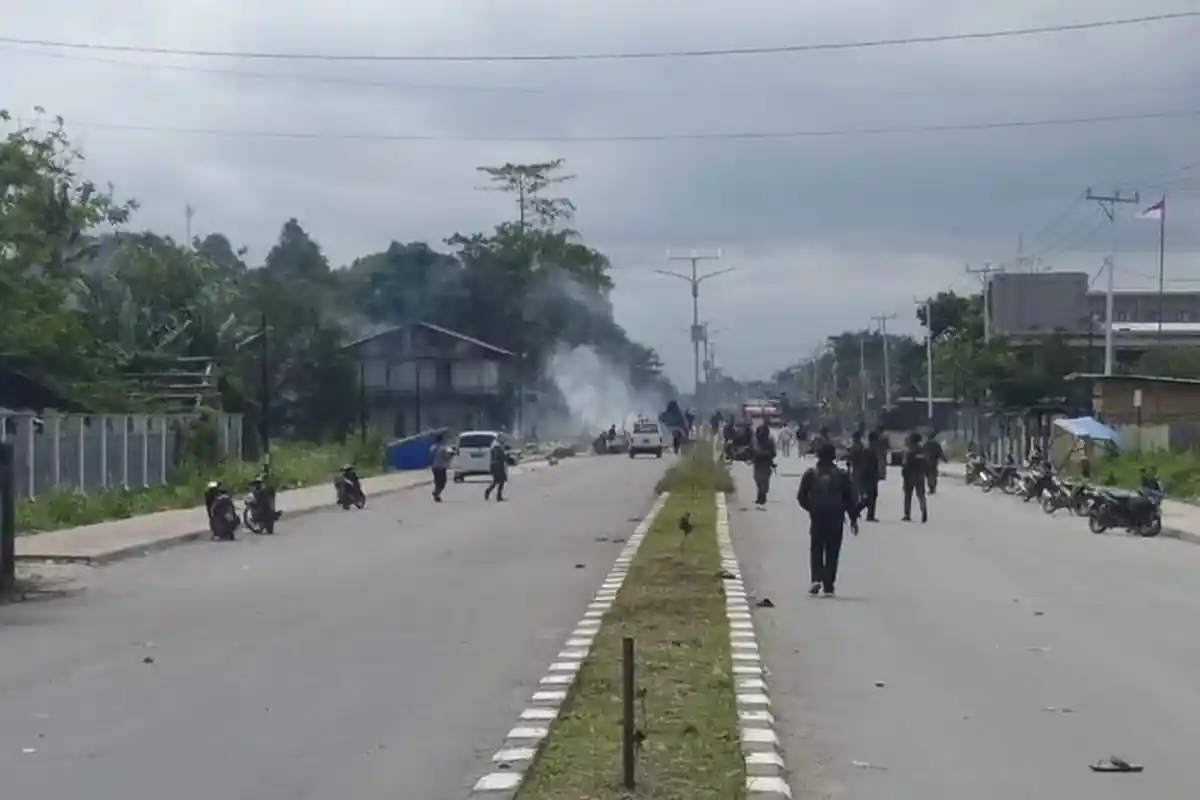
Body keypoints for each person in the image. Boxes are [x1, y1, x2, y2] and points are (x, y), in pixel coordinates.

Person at [797, 441, 859, 596]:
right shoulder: (842, 475)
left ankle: (816, 578)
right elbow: (850, 499)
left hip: (818, 518)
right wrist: (853, 520)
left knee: (816, 549)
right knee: (833, 551)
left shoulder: (811, 474)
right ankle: (829, 583)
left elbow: (801, 497)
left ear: (818, 456)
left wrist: (812, 509)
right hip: (836, 518)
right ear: (833, 457)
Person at [901, 433, 928, 523]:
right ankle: (924, 511)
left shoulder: (909, 451)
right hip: (920, 475)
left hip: (910, 475)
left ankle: (907, 514)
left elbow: (906, 464)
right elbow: (925, 463)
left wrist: (904, 474)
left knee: (908, 496)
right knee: (921, 495)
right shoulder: (922, 451)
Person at [860, 431, 882, 521]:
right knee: (870, 497)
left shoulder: (871, 450)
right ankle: (865, 513)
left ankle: (869, 514)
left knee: (872, 496)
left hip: (872, 476)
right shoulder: (868, 451)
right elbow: (866, 465)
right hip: (869, 477)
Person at [752, 425, 777, 505]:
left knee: (763, 481)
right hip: (758, 463)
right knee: (759, 480)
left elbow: (773, 453)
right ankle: (761, 496)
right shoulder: (755, 442)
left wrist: (765, 454)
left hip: (765, 463)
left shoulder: (769, 442)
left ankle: (762, 497)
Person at [430, 432, 454, 502]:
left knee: (437, 481)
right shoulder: (443, 448)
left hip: (434, 466)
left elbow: (430, 456)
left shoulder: (433, 447)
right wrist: (451, 455)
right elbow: (446, 457)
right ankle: (437, 493)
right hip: (441, 467)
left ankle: (436, 493)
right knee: (443, 481)